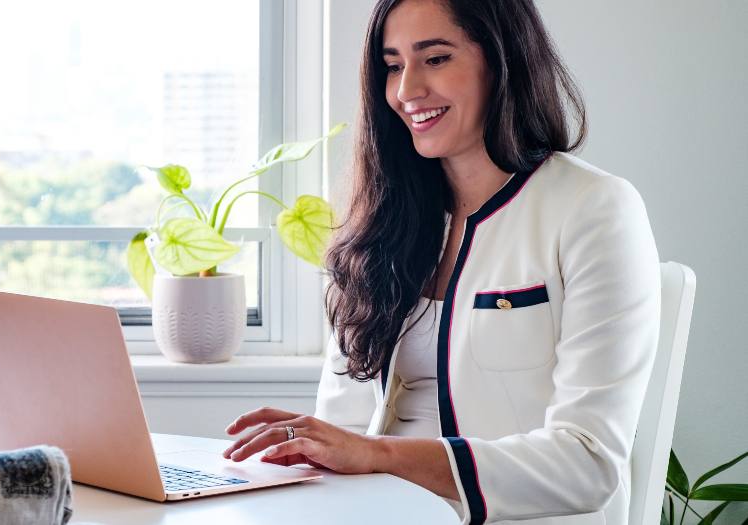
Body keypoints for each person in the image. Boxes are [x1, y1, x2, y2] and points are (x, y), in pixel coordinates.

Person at [220, 0, 660, 523]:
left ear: (503, 61)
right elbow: (347, 423)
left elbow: (587, 463)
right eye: (393, 65)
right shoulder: (380, 227)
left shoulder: (593, 209)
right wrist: (306, 449)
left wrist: (375, 456)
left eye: (435, 58)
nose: (407, 91)